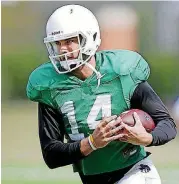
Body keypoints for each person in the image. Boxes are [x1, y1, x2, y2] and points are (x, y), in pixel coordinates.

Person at [26, 4, 177, 184]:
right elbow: (52, 155)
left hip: (134, 172)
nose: (63, 49)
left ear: (90, 38)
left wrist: (147, 138)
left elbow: (167, 125)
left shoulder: (121, 72)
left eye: (69, 41)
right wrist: (92, 143)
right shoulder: (50, 85)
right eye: (57, 43)